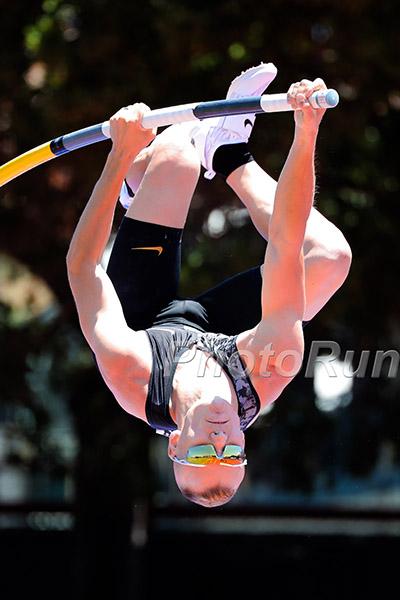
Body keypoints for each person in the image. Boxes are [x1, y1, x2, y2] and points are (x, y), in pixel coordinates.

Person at [66, 64, 352, 508]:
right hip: (222, 331)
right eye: (233, 453)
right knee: (330, 258)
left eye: (201, 454)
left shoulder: (131, 371)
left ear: (174, 444)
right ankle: (228, 151)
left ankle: (137, 178)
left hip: (144, 317)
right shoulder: (269, 368)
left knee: (177, 153)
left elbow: (83, 266)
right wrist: (306, 130)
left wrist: (119, 154)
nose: (220, 440)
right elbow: (285, 244)